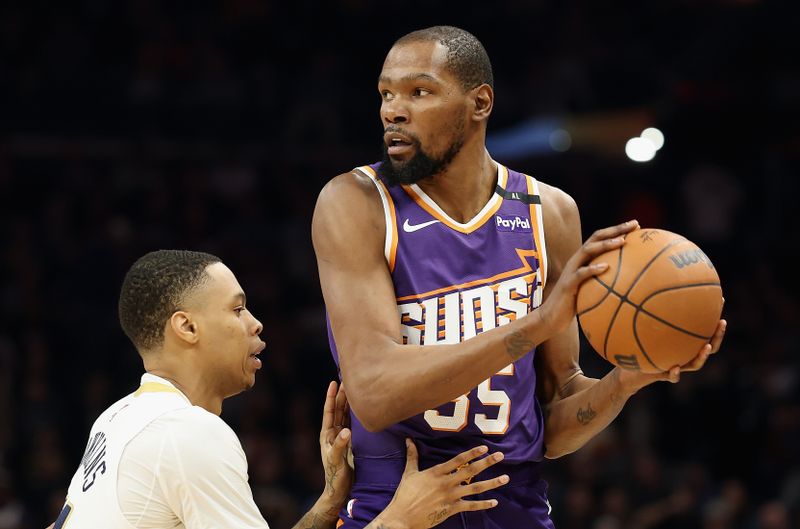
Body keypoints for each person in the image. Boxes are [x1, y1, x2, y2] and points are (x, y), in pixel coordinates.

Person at [311, 25, 727, 529]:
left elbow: (551, 425)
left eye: (419, 92)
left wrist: (623, 382)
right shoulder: (357, 203)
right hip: (393, 510)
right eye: (386, 93)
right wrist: (535, 324)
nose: (392, 110)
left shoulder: (548, 213)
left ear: (479, 103)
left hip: (518, 514)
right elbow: (374, 397)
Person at [51, 250, 510, 529]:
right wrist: (401, 518)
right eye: (237, 310)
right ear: (187, 327)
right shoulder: (185, 433)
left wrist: (331, 500)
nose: (255, 324)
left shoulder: (118, 418)